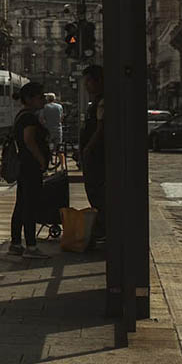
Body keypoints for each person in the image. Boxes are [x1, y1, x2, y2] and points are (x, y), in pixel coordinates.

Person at [9, 82, 50, 258]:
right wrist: (42, 160)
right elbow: (29, 141)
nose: (44, 100)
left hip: (24, 166)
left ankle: (16, 243)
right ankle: (31, 247)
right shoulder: (29, 118)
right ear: (29, 99)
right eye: (40, 97)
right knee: (30, 206)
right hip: (31, 166)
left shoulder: (22, 115)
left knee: (21, 204)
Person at [79, 64, 105, 242]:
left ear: (99, 81)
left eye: (89, 81)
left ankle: (102, 228)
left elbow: (101, 130)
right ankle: (101, 228)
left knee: (98, 193)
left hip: (97, 157)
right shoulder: (96, 102)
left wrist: (88, 148)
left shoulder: (103, 101)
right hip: (92, 156)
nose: (86, 85)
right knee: (94, 192)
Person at [39, 92, 64, 169]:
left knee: (46, 149)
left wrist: (44, 125)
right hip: (58, 130)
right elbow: (62, 117)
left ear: (47, 99)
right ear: (54, 99)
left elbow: (41, 119)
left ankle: (46, 167)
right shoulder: (59, 106)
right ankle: (62, 166)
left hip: (48, 130)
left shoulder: (44, 107)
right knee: (59, 149)